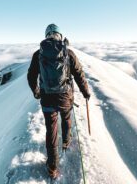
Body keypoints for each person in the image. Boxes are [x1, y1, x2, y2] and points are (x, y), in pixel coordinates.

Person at [27, 23, 90, 179]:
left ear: (47, 36)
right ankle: (66, 142)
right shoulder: (68, 53)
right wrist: (85, 92)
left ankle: (52, 167)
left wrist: (36, 92)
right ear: (60, 36)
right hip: (65, 97)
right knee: (67, 118)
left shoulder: (38, 54)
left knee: (51, 130)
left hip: (47, 98)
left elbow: (31, 76)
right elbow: (79, 75)